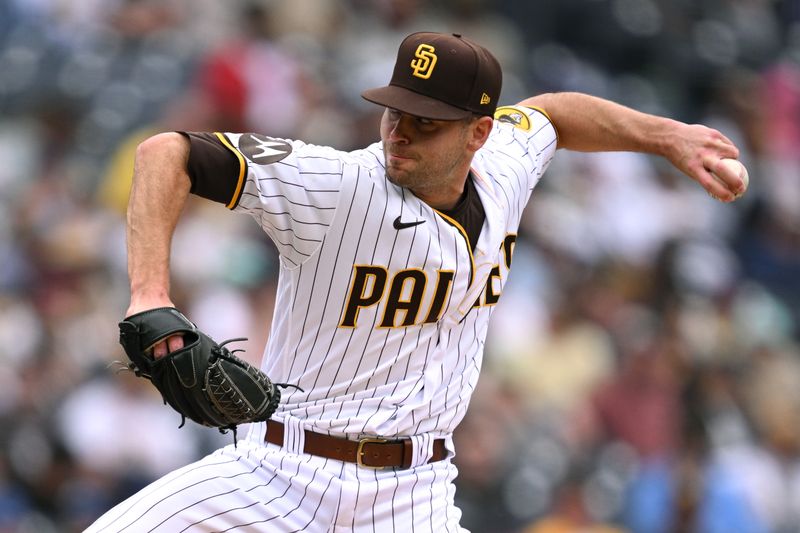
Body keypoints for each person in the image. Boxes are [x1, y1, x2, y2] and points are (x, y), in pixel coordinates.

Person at [86, 31, 744, 532]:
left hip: (413, 496)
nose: (400, 133)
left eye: (425, 123)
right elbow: (164, 154)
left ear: (479, 133)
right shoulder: (337, 184)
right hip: (277, 474)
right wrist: (150, 295)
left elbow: (553, 115)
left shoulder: (507, 165)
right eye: (395, 111)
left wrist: (668, 137)